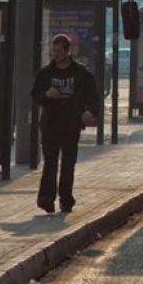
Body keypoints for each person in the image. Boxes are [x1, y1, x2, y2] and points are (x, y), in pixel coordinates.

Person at [31, 34, 98, 214]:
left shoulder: (81, 74)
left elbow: (93, 97)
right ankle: (46, 199)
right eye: (53, 50)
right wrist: (46, 95)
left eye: (59, 51)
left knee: (68, 164)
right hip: (50, 124)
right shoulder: (46, 73)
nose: (55, 54)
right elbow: (35, 94)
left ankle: (66, 199)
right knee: (50, 162)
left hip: (71, 125)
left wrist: (89, 112)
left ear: (68, 51)